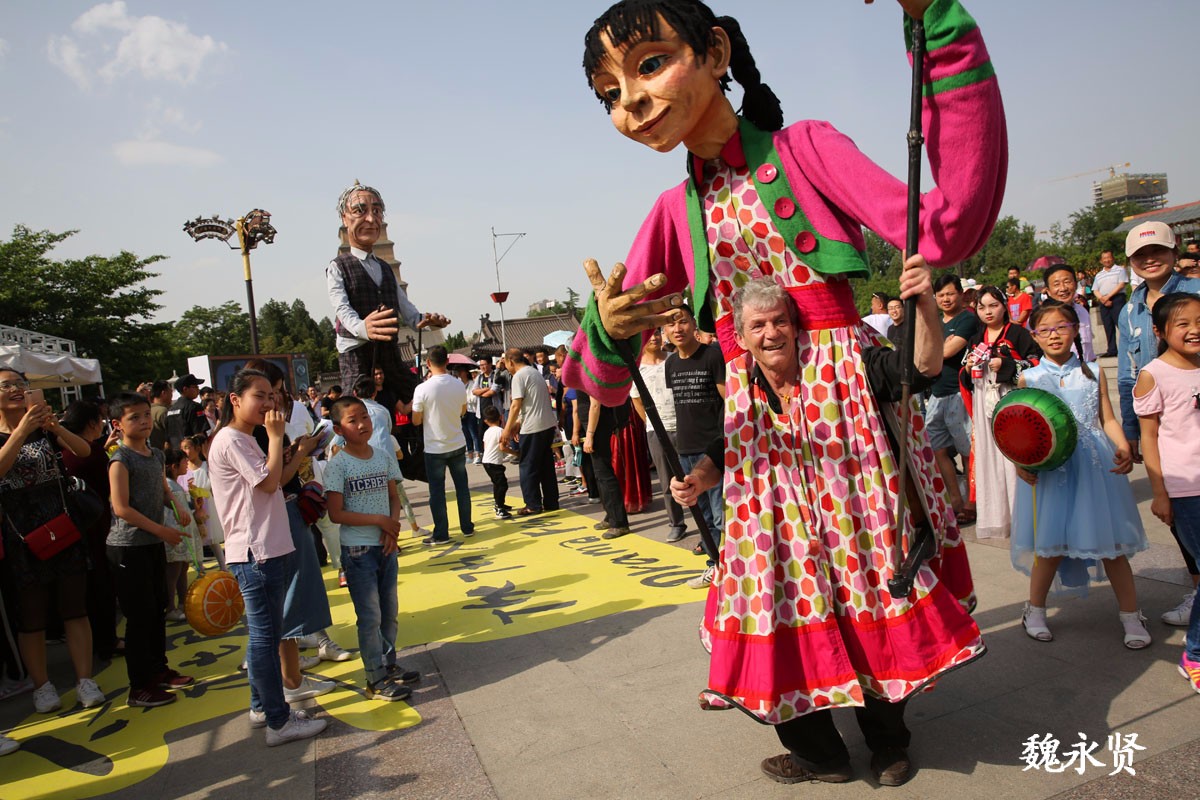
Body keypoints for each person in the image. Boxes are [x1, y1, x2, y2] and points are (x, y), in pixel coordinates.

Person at [563, 0, 1002, 783]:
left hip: (844, 407)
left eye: (649, 64)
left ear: (717, 50)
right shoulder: (674, 209)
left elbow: (947, 225)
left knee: (872, 559)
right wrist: (605, 322)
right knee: (778, 579)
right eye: (606, 93)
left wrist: (934, 23)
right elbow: (596, 373)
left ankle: (890, 734)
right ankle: (818, 748)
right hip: (759, 430)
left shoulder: (807, 149)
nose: (628, 102)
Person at [672, 265, 976, 787]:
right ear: (741, 338)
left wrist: (925, 303)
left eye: (779, 321)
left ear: (795, 323)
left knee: (873, 632)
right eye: (757, 327)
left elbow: (919, 368)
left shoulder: (845, 362)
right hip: (780, 541)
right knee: (782, 634)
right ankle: (820, 755)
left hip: (857, 533)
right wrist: (699, 479)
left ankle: (887, 745)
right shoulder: (744, 384)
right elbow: (732, 445)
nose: (771, 334)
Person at [1011, 303, 1150, 648]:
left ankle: (1132, 617)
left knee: (1111, 544)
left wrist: (1122, 448)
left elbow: (1109, 418)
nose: (1054, 334)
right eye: (1045, 329)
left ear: (1075, 329)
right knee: (1051, 544)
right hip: (1053, 471)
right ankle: (1035, 610)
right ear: (1034, 336)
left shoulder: (1092, 370)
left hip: (1094, 467)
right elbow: (1015, 428)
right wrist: (1020, 462)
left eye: (1061, 326)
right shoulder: (1029, 377)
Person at [207, 369, 329, 745]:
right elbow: (269, 482)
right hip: (256, 552)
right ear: (235, 400)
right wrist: (276, 439)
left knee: (265, 635)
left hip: (264, 548)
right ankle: (278, 720)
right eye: (260, 396)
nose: (268, 403)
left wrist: (294, 452)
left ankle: (262, 706)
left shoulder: (242, 438)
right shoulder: (232, 439)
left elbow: (275, 477)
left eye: (272, 396)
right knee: (264, 638)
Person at [0, 369, 105, 713]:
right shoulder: (9, 432)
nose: (16, 390)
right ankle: (42, 686)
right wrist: (22, 431)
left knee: (74, 607)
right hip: (20, 533)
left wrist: (54, 427)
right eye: (7, 386)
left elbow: (83, 450)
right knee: (32, 616)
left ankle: (85, 680)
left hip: (61, 524)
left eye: (20, 384)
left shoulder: (44, 427)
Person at [1116, 221, 1200, 626]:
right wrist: (1130, 430)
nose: (1150, 260)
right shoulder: (1130, 309)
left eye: (1158, 252)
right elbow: (1128, 376)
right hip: (1160, 429)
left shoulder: (1195, 295)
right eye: (1140, 256)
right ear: (1130, 262)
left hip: (1193, 417)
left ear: (1174, 250)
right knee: (1180, 514)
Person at [323, 396, 420, 700]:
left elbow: (394, 496)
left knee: (389, 611)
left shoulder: (383, 455)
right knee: (370, 616)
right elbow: (336, 513)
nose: (362, 424)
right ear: (339, 428)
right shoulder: (338, 465)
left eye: (364, 417)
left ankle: (389, 665)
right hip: (358, 551)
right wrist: (379, 521)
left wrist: (392, 526)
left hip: (385, 546)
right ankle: (374, 678)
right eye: (353, 420)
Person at [326, 182, 450, 414]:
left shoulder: (385, 268)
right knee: (355, 410)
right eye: (360, 210)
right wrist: (363, 327)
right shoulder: (338, 266)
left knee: (420, 398)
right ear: (345, 218)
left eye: (377, 210)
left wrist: (423, 319)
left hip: (389, 350)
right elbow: (341, 307)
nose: (371, 219)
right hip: (357, 352)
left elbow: (405, 307)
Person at [106, 392, 195, 708]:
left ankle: (158, 671)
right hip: (128, 547)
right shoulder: (120, 460)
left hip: (153, 542)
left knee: (158, 608)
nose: (144, 421)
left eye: (146, 415)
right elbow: (121, 508)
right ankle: (139, 686)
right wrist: (162, 529)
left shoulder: (156, 454)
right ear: (118, 424)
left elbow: (160, 490)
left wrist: (176, 505)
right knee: (139, 617)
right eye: (135, 417)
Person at [1134, 292, 1200, 691]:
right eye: (1183, 324)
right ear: (1159, 331)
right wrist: (1159, 492)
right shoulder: (1154, 374)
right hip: (1185, 489)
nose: (1194, 330)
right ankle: (1194, 653)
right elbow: (1149, 437)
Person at [958, 286, 1039, 539]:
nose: (988, 311)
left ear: (1004, 306)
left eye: (993, 305)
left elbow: (1035, 364)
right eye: (982, 307)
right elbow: (964, 373)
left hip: (1011, 402)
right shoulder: (976, 338)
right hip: (984, 406)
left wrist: (1007, 365)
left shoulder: (1018, 333)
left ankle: (1022, 516)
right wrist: (970, 367)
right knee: (989, 456)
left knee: (1013, 455)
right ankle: (996, 516)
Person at [59, 400, 122, 660]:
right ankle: (107, 641)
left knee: (87, 590)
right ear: (92, 423)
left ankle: (99, 640)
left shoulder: (63, 449)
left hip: (72, 527)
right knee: (101, 586)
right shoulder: (90, 453)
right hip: (95, 526)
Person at [664, 306, 724, 572]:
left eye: (683, 322)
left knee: (722, 514)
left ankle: (729, 568)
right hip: (685, 447)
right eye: (670, 324)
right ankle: (715, 565)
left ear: (694, 324)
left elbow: (729, 400)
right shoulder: (671, 363)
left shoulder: (712, 357)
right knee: (703, 515)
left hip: (712, 450)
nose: (677, 329)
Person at [411, 345, 474, 545]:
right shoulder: (458, 384)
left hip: (435, 447)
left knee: (437, 492)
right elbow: (463, 411)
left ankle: (441, 533)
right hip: (457, 442)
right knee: (462, 488)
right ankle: (467, 527)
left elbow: (416, 420)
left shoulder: (422, 389)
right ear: (447, 361)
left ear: (428, 363)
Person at [630, 327, 688, 542]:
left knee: (693, 475)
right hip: (656, 431)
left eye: (656, 333)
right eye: (648, 334)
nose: (654, 337)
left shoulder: (675, 359)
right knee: (667, 481)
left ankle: (708, 522)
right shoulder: (637, 368)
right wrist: (650, 423)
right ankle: (676, 523)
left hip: (685, 427)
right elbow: (636, 399)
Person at [930, 275, 980, 524]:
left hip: (959, 392)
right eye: (940, 296)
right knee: (936, 448)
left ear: (960, 293)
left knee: (967, 450)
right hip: (937, 394)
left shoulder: (968, 318)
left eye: (950, 294)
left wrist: (934, 349)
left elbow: (947, 351)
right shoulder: (937, 322)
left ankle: (972, 502)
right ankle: (954, 499)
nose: (946, 299)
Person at [499, 349, 560, 516]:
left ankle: (533, 504)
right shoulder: (534, 372)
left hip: (533, 427)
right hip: (546, 424)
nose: (506, 368)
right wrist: (518, 423)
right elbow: (531, 403)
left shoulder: (519, 376)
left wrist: (506, 430)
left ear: (511, 361)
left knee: (528, 466)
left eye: (505, 364)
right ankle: (551, 501)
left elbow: (516, 405)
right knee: (546, 465)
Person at [162, 447, 200, 623]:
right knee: (173, 571)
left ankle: (184, 603)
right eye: (183, 462)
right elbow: (170, 515)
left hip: (182, 534)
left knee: (182, 568)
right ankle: (171, 606)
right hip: (176, 535)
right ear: (173, 466)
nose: (186, 464)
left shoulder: (174, 485)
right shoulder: (169, 486)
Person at [181, 433, 227, 571]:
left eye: (188, 447)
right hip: (191, 505)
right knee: (196, 538)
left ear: (197, 449)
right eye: (183, 448)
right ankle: (199, 567)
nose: (185, 451)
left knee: (211, 537)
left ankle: (223, 565)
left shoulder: (206, 466)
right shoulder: (184, 469)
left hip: (206, 504)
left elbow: (213, 484)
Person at [1043, 263, 1095, 361]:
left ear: (1075, 285)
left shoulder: (1082, 311)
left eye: (1067, 282)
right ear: (1048, 291)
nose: (1063, 288)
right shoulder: (1041, 318)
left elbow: (1088, 349)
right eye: (1056, 284)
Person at [480, 406, 515, 519]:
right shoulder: (501, 431)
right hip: (494, 462)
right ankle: (499, 508)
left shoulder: (487, 432)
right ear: (500, 417)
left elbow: (486, 447)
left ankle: (499, 504)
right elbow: (503, 447)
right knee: (502, 485)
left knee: (497, 484)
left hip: (487, 461)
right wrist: (516, 453)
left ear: (486, 421)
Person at [1093, 250, 1129, 357]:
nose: (1107, 260)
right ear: (1101, 261)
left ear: (1112, 258)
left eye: (1108, 257)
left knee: (1121, 324)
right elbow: (1095, 289)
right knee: (1108, 326)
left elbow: (1121, 284)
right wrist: (1103, 299)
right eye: (1104, 258)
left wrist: (1108, 297)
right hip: (1103, 301)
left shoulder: (1120, 270)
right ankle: (1112, 350)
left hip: (1117, 299)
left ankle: (1128, 348)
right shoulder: (1099, 275)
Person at [165, 374, 208, 449]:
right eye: (195, 387)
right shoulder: (194, 407)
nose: (198, 389)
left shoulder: (171, 410)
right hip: (192, 452)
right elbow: (199, 435)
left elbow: (168, 440)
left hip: (177, 454)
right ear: (185, 389)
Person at [149, 380, 172, 450]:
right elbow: (172, 434)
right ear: (164, 393)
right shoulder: (163, 411)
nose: (171, 395)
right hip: (164, 452)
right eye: (170, 392)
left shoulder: (147, 410)